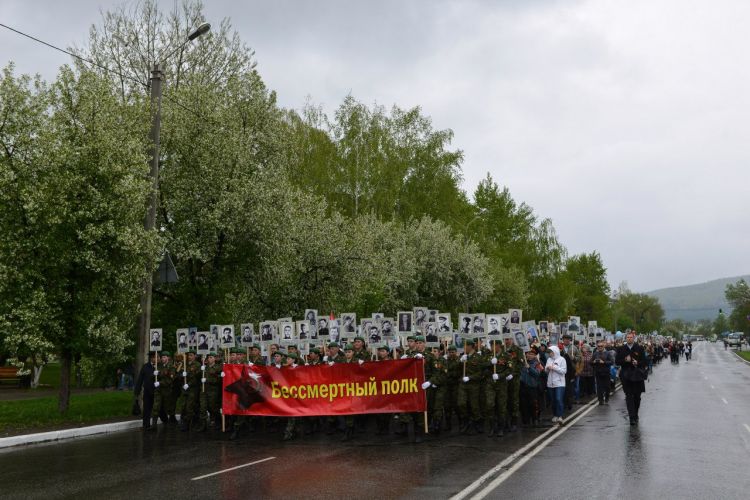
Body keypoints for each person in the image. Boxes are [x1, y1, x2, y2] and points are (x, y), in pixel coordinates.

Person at [616, 331, 647, 425]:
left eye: (631, 337)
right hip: (626, 375)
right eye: (628, 337)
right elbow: (617, 361)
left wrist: (637, 363)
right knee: (629, 396)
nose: (629, 339)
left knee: (637, 397)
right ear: (626, 338)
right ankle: (632, 417)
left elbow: (645, 362)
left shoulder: (639, 348)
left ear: (634, 338)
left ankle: (635, 414)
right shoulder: (621, 349)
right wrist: (625, 360)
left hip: (637, 375)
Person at [134, 352, 158, 431]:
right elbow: (140, 379)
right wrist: (137, 391)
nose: (155, 359)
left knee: (159, 408)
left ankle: (165, 421)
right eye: (154, 357)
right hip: (148, 391)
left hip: (158, 391)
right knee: (147, 408)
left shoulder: (160, 366)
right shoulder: (145, 367)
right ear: (151, 358)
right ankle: (146, 425)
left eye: (157, 357)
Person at [544, 345, 567, 425]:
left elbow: (564, 371)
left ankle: (560, 416)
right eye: (549, 352)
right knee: (553, 400)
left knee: (558, 399)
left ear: (555, 352)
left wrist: (554, 367)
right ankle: (555, 415)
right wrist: (547, 368)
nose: (549, 354)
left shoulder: (562, 359)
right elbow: (546, 371)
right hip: (550, 383)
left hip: (559, 383)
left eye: (550, 352)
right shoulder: (549, 359)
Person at [591, 340, 614, 405]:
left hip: (606, 373)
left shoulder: (608, 353)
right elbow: (590, 362)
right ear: (597, 347)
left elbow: (612, 362)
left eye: (601, 346)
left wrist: (604, 362)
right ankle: (600, 400)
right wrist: (594, 362)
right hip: (598, 373)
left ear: (604, 346)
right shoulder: (595, 353)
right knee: (599, 387)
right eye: (598, 346)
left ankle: (607, 397)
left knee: (607, 387)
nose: (600, 347)